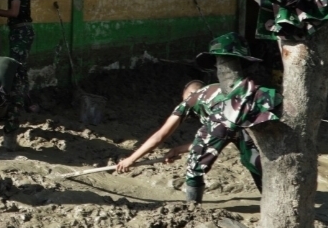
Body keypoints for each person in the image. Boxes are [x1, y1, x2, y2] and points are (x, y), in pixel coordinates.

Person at [116, 33, 281, 203]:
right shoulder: (223, 91)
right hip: (246, 117)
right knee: (255, 162)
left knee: (195, 165)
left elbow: (161, 135)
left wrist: (131, 159)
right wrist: (178, 149)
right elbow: (222, 136)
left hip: (230, 118)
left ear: (189, 93)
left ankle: (192, 206)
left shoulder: (193, 98)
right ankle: (274, 201)